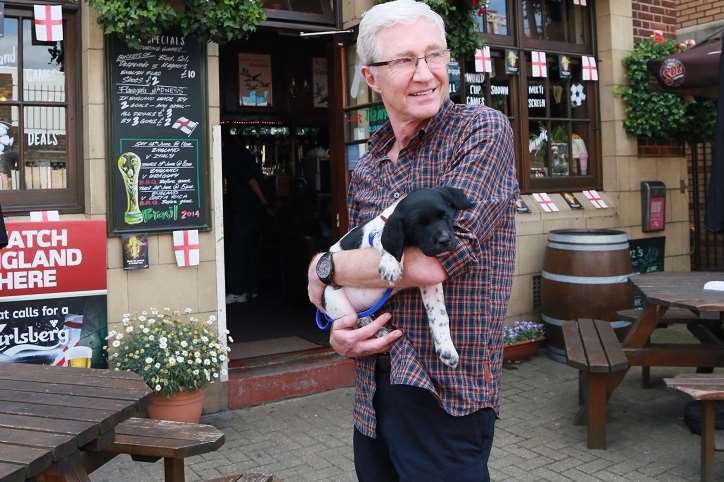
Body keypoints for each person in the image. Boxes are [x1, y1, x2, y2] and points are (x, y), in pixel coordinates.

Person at [306, 1, 518, 480]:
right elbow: (373, 262)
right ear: (372, 77)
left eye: (434, 55)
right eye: (404, 60)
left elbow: (429, 265)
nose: (425, 74)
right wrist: (342, 332)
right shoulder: (369, 164)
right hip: (374, 391)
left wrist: (323, 268)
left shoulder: (481, 132)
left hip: (447, 391)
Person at [223, 135, 272, 304]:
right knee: (250, 249)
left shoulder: (233, 155)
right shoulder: (243, 154)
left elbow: (251, 180)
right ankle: (252, 289)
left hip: (243, 208)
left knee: (238, 249)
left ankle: (238, 291)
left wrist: (263, 200)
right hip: (251, 208)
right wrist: (263, 202)